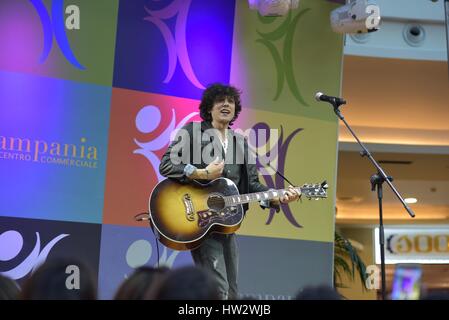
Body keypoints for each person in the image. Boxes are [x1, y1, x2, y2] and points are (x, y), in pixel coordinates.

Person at [159, 83, 300, 300]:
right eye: (220, 100)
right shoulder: (193, 132)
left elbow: (253, 185)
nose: (226, 104)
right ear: (209, 108)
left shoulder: (241, 143)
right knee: (219, 291)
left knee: (232, 293)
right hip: (200, 221)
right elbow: (167, 164)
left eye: (231, 101)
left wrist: (276, 198)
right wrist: (201, 173)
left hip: (227, 224)